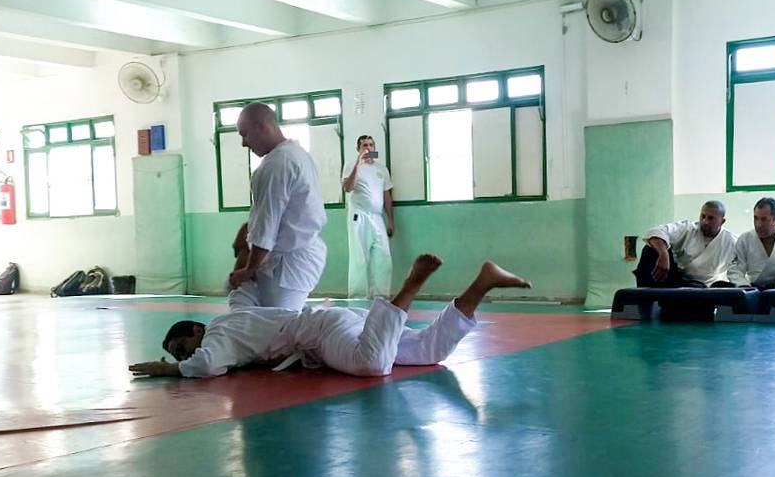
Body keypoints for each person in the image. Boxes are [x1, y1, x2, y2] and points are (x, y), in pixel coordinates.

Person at [129, 255, 531, 379]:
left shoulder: (217, 339)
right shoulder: (234, 318)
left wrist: (163, 370)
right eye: (179, 354)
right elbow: (240, 291)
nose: (185, 356)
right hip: (339, 322)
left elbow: (206, 365)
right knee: (429, 350)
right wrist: (240, 262)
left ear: (198, 330)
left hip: (321, 333)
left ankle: (409, 287)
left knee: (371, 364)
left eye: (183, 347)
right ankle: (482, 282)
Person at [227, 102, 327, 311]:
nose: (244, 144)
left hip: (288, 265)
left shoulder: (276, 164)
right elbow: (284, 211)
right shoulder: (296, 154)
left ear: (262, 126)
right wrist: (248, 227)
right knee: (270, 322)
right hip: (297, 259)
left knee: (277, 330)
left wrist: (249, 269)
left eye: (244, 134)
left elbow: (268, 223)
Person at [633, 201, 737, 288]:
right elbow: (656, 231)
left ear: (722, 221)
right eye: (703, 216)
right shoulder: (687, 228)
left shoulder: (731, 241)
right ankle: (644, 300)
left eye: (711, 218)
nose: (705, 221)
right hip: (676, 280)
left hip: (704, 288)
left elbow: (740, 267)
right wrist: (663, 254)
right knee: (650, 249)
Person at [342, 135, 395, 299]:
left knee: (383, 256)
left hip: (377, 217)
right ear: (358, 149)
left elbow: (386, 196)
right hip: (359, 216)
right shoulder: (351, 165)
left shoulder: (381, 169)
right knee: (359, 258)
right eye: (364, 145)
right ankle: (357, 298)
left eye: (371, 145)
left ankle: (381, 296)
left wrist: (391, 220)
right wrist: (358, 163)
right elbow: (347, 188)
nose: (368, 148)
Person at [727, 197, 775, 289]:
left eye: (764, 219)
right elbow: (735, 269)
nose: (758, 224)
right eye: (755, 218)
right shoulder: (745, 239)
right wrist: (745, 288)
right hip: (753, 288)